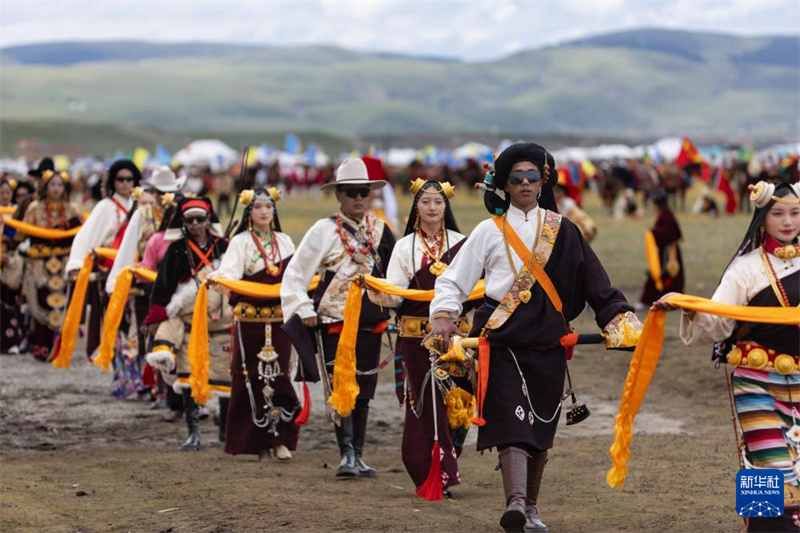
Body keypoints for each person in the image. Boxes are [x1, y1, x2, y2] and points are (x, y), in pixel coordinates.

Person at [427, 143, 641, 532]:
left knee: (540, 429)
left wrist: (618, 319)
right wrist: (443, 315)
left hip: (548, 343)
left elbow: (598, 284)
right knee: (513, 423)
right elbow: (452, 280)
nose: (525, 184)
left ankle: (530, 510)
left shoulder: (566, 231)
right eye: (516, 178)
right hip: (500, 344)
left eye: (532, 177)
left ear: (544, 181)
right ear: (504, 185)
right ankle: (515, 504)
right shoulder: (487, 232)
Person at [654, 180, 800, 531]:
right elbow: (718, 322)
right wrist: (688, 308)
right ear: (761, 218)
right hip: (756, 379)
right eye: (777, 213)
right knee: (767, 460)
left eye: (795, 213)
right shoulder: (745, 269)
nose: (787, 222)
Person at [281, 158, 395, 478]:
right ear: (339, 196)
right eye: (351, 192)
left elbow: (393, 275)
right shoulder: (323, 230)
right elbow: (296, 275)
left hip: (371, 322)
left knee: (365, 388)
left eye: (363, 192)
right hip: (334, 321)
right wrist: (303, 309)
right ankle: (345, 453)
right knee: (340, 387)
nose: (358, 198)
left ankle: (358, 454)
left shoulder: (381, 230)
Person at [368, 178, 471, 497]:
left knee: (457, 403)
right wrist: (375, 288)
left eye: (438, 202)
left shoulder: (463, 242)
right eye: (425, 201)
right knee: (426, 405)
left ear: (446, 206)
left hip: (456, 340)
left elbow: (474, 287)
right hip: (415, 341)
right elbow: (395, 295)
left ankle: (447, 465)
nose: (431, 207)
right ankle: (429, 472)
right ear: (416, 206)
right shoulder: (404, 246)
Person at [209, 188, 300, 461]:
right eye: (258, 207)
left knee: (281, 374)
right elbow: (229, 273)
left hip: (279, 318)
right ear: (249, 212)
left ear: (274, 211)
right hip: (250, 320)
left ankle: (280, 439)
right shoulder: (240, 242)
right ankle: (257, 441)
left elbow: (296, 273)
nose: (263, 211)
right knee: (251, 377)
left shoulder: (284, 241)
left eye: (268, 207)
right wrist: (218, 277)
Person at [143, 197, 230, 451]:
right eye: (189, 220)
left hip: (220, 321)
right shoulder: (176, 249)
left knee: (223, 374)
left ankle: (225, 430)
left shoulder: (223, 246)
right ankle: (194, 432)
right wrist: (155, 316)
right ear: (182, 223)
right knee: (189, 376)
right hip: (188, 320)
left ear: (208, 220)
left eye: (200, 219)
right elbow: (164, 286)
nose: (195, 224)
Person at [104, 166, 185, 398]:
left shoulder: (183, 212)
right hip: (147, 285)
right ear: (153, 191)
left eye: (168, 192)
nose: (163, 197)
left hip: (177, 286)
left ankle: (174, 390)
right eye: (160, 192)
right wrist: (116, 282)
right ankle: (155, 387)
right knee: (146, 335)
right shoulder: (142, 213)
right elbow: (128, 247)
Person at [65, 159, 140, 359]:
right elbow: (85, 237)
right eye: (120, 179)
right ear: (112, 182)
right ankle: (117, 362)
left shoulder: (141, 207)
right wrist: (76, 264)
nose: (125, 183)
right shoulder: (105, 207)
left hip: (137, 271)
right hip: (110, 274)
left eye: (130, 179)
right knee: (115, 320)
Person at [18, 170, 82, 360]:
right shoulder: (34, 208)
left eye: (59, 185)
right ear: (45, 187)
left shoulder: (71, 209)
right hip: (39, 263)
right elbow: (21, 233)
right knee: (40, 301)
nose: (56, 189)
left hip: (63, 262)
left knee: (62, 304)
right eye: (52, 185)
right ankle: (41, 347)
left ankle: (60, 349)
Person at [639, 187, 684, 308]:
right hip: (664, 251)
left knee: (665, 275)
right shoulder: (664, 214)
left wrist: (653, 232)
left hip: (669, 253)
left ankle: (650, 300)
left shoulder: (666, 216)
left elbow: (670, 234)